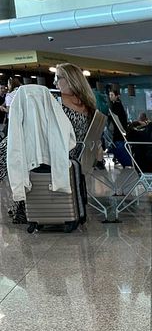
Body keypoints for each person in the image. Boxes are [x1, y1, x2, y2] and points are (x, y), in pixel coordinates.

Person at [0, 63, 95, 223]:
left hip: (58, 152)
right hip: (67, 149)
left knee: (9, 150)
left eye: (58, 78)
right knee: (11, 148)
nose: (55, 83)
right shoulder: (85, 103)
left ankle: (21, 203)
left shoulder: (60, 101)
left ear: (71, 80)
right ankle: (21, 204)